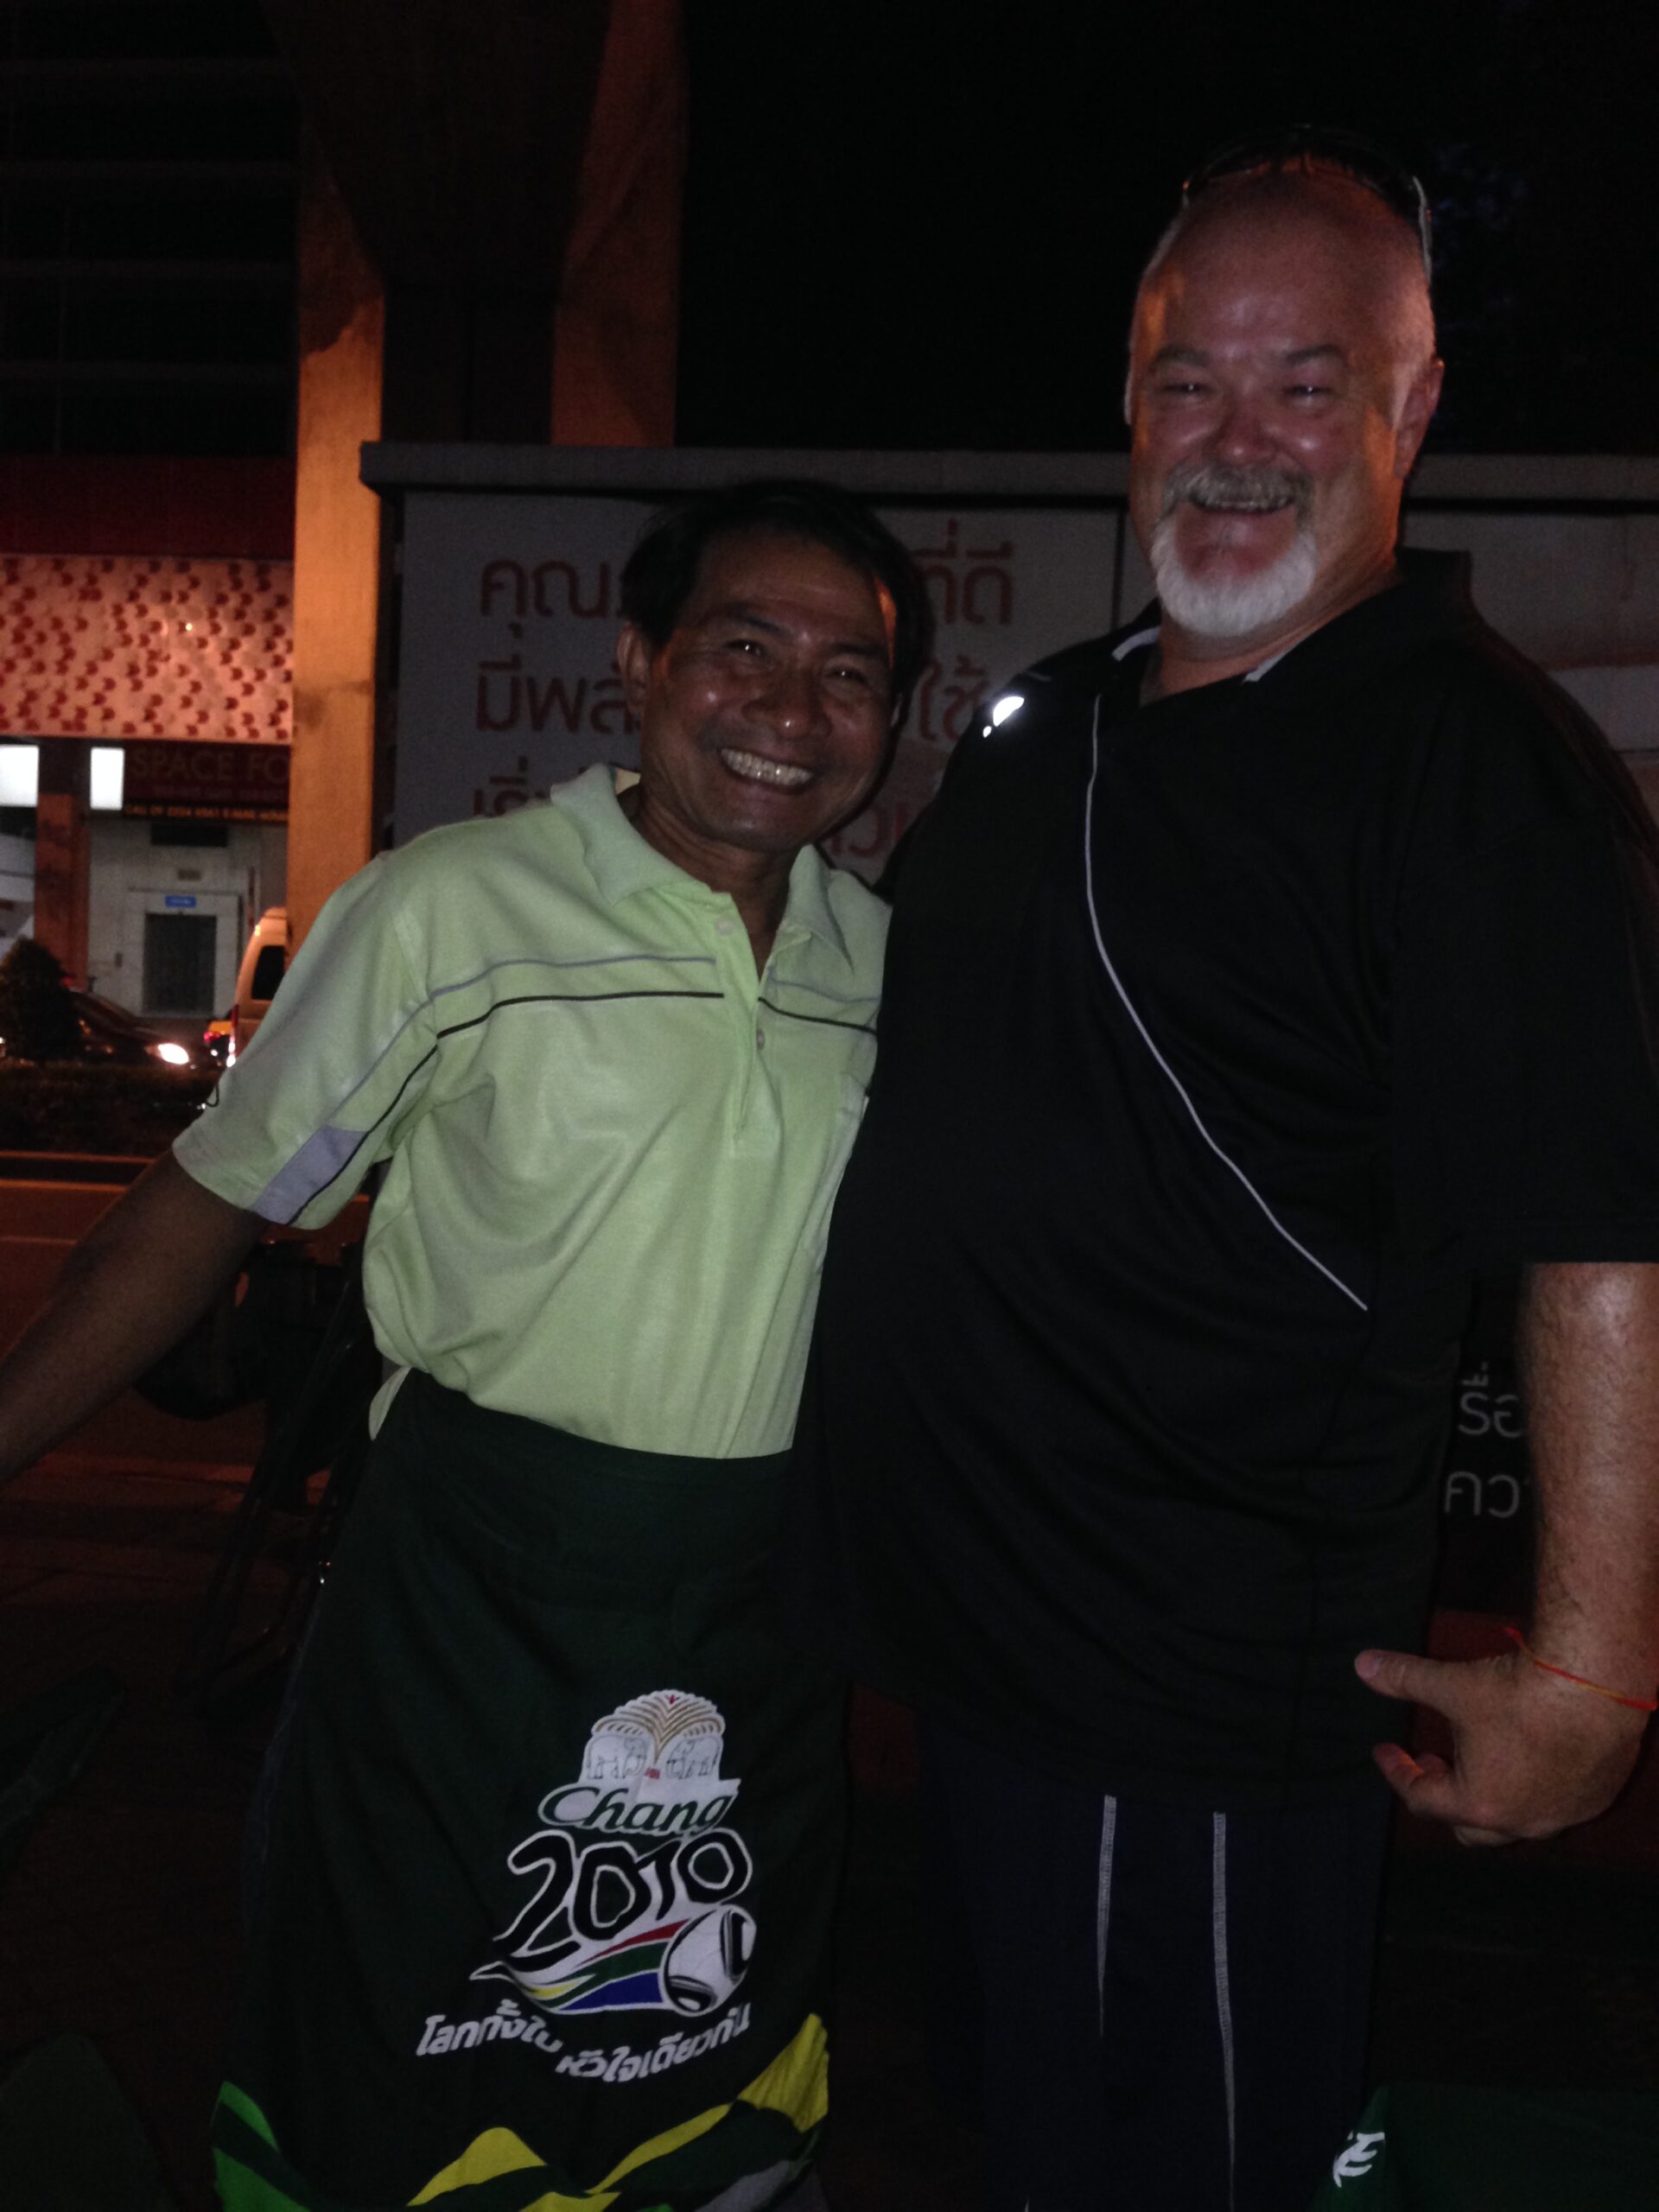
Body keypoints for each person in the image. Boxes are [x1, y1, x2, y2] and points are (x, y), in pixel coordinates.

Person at [782, 136, 1659, 2212]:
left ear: (1411, 405)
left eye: (1305, 381)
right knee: (1024, 2139)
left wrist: (1590, 1666)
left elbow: (1601, 1236)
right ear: (1129, 401)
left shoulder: (1470, 764)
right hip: (971, 1661)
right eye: (1191, 380)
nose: (1238, 437)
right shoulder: (1057, 720)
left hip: (1179, 1692)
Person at [0, 480, 931, 2212]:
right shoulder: (455, 908)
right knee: (397, 2051)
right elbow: (205, 1210)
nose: (792, 711)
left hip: (753, 1632)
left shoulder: (887, 970)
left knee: (692, 2065)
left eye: (850, 674)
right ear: (639, 662)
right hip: (465, 1613)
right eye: (742, 649)